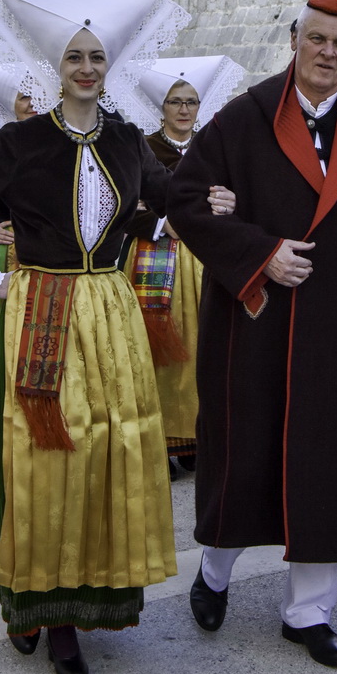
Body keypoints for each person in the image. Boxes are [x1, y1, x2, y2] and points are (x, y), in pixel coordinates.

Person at [0, 0, 190, 674]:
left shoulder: (128, 136)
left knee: (112, 447)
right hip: (45, 307)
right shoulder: (21, 140)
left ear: (111, 65)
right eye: (74, 55)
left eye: (97, 56)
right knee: (49, 456)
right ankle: (45, 611)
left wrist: (219, 199)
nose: (87, 66)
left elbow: (163, 200)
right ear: (54, 64)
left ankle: (95, 593)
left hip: (112, 309)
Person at [166, 0, 337, 669]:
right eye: (316, 39)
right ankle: (215, 573)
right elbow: (183, 200)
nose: (328, 53)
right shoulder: (242, 119)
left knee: (333, 467)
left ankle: (308, 613)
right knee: (241, 457)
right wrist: (258, 252)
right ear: (294, 39)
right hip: (256, 324)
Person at [122, 55, 245, 479]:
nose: (183, 109)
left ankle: (194, 438)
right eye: (175, 101)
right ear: (162, 107)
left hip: (206, 257)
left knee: (204, 346)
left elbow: (238, 195)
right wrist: (158, 221)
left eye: (191, 101)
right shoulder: (143, 147)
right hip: (157, 258)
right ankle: (161, 439)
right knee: (162, 347)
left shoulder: (216, 147)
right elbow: (122, 207)